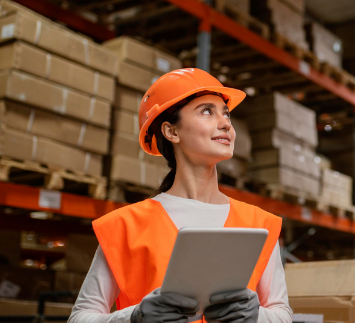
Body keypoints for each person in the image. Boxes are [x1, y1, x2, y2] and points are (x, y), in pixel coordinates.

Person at [69, 69, 292, 323]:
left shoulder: (259, 224)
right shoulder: (126, 226)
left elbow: (282, 314)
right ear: (171, 131)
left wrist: (257, 316)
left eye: (226, 113)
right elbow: (79, 318)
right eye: (207, 111)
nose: (226, 123)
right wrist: (135, 317)